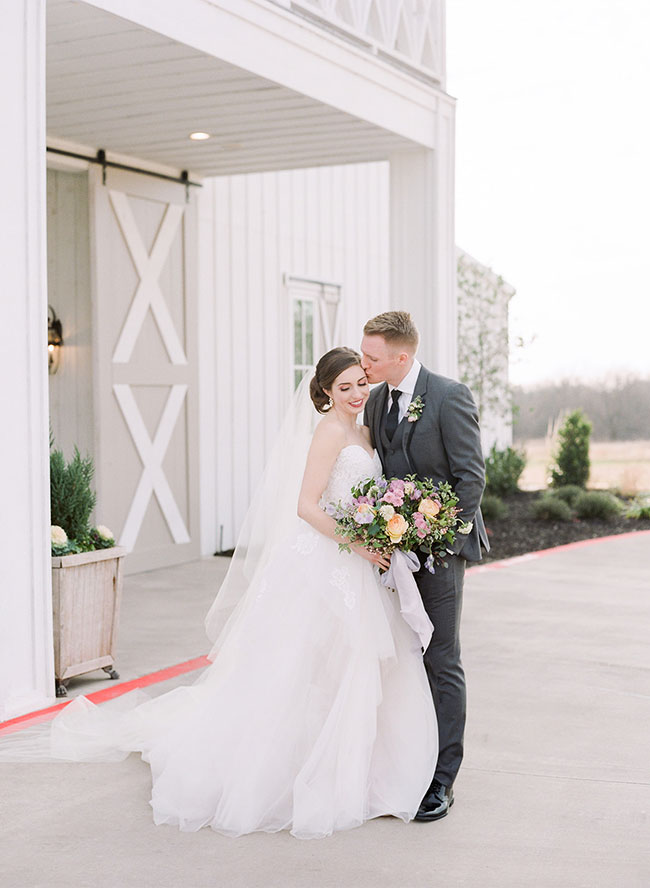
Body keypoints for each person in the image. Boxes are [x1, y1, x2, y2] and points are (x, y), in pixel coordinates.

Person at [45, 346, 437, 840]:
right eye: (345, 387)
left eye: (362, 382)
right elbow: (306, 506)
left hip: (358, 563)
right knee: (303, 666)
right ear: (324, 392)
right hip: (331, 559)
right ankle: (298, 768)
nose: (358, 393)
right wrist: (359, 544)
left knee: (351, 668)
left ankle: (356, 767)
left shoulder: (364, 428)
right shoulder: (329, 432)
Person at [361, 311, 488, 821]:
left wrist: (440, 542)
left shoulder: (449, 396)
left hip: (441, 554)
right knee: (399, 657)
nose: (365, 363)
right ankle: (403, 765)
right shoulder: (374, 401)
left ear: (402, 356)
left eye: (372, 357)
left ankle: (441, 780)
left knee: (440, 658)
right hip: (390, 552)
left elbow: (470, 478)